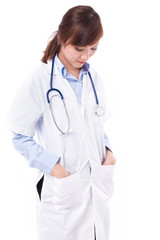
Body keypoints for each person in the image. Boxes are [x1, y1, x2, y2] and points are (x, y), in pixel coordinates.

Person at [8, 5, 116, 240]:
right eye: (79, 48)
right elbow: (19, 136)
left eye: (93, 48)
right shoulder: (39, 79)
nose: (86, 56)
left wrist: (109, 153)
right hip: (64, 190)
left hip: (96, 186)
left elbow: (97, 125)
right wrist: (55, 168)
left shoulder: (94, 78)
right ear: (62, 38)